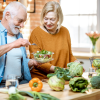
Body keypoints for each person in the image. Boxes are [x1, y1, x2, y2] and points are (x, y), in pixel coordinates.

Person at [29, 1, 82, 80]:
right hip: (42, 79)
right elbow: (37, 61)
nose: (48, 22)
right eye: (46, 19)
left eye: (52, 19)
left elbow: (69, 55)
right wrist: (59, 70)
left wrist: (77, 64)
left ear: (58, 18)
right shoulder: (36, 33)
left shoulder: (65, 31)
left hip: (61, 78)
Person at [0, 1, 41, 88]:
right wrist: (13, 44)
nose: (22, 25)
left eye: (24, 22)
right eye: (20, 21)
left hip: (21, 82)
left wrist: (33, 62)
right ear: (7, 15)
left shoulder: (19, 35)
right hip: (2, 85)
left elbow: (20, 62)